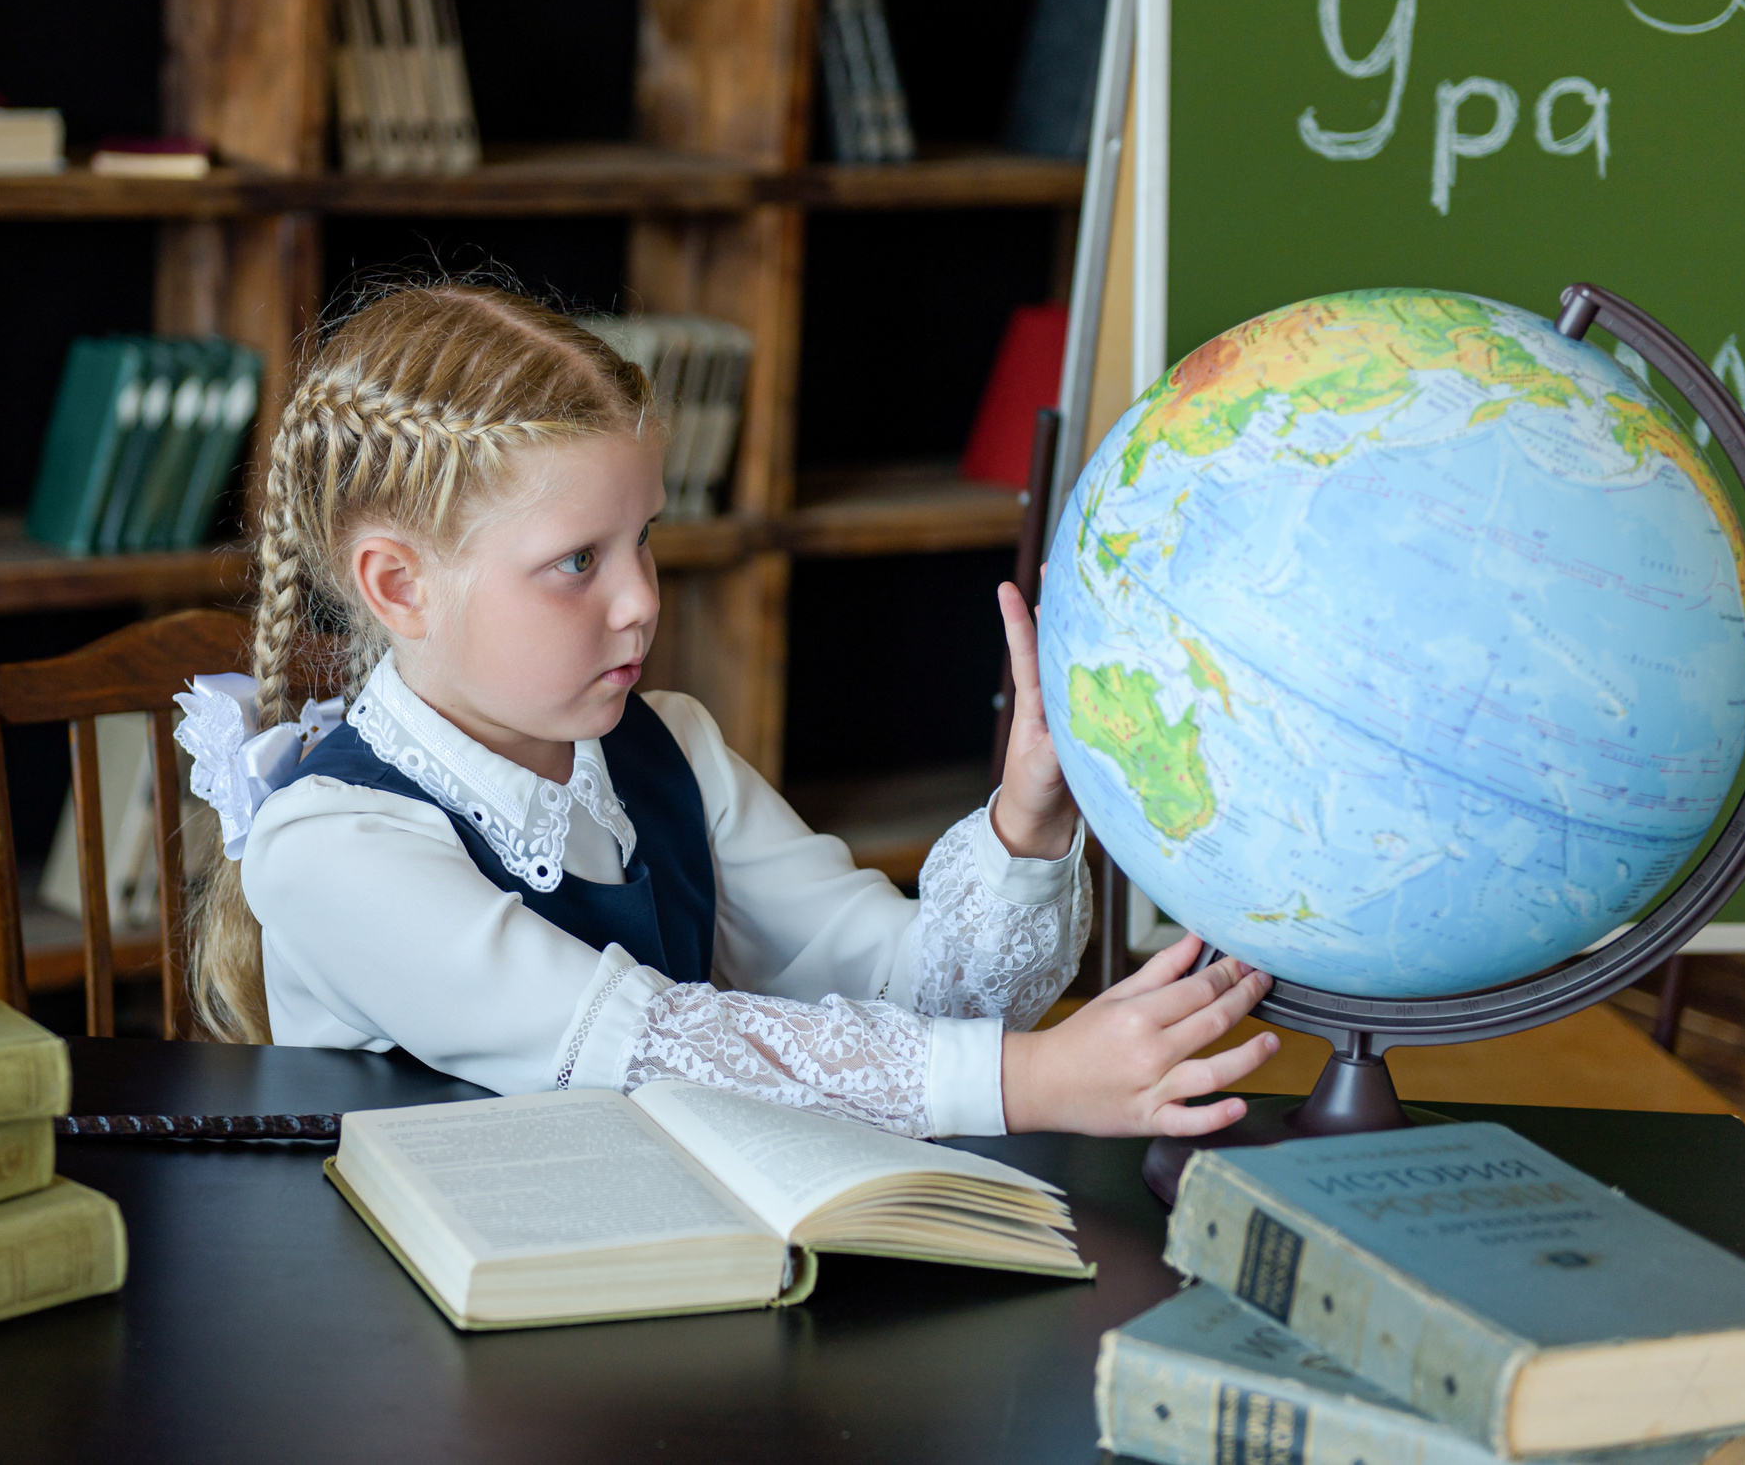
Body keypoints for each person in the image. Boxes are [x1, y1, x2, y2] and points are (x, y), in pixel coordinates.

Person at [176, 281, 1278, 1142]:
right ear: (398, 586)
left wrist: (1023, 826)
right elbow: (643, 1043)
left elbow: (906, 984)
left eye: (643, 537)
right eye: (575, 562)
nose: (641, 599)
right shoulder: (327, 847)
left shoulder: (671, 748)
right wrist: (1029, 1079)